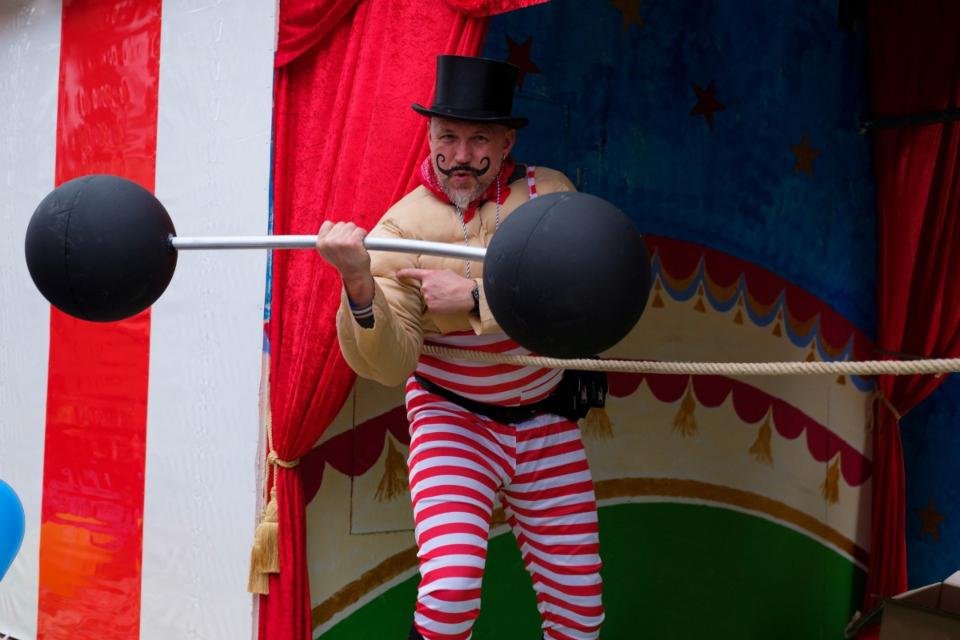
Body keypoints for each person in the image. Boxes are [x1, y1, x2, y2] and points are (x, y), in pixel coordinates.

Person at [315, 55, 604, 640]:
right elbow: (390, 361)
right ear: (429, 137)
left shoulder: (549, 196)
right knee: (448, 592)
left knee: (581, 614)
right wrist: (358, 283)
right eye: (448, 136)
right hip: (454, 422)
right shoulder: (398, 229)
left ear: (506, 142)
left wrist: (472, 300)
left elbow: (573, 294)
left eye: (479, 139)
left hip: (546, 423)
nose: (463, 155)